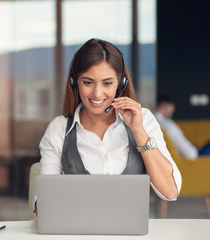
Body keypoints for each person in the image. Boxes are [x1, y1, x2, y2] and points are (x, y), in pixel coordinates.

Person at [39, 38, 181, 203]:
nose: (97, 93)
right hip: (77, 229)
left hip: (131, 229)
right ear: (74, 82)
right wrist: (41, 204)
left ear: (120, 84)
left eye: (107, 83)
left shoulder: (144, 120)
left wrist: (138, 131)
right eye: (88, 82)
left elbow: (170, 191)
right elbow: (44, 201)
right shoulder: (59, 129)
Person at [155, 95, 198, 160]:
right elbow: (190, 154)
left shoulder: (151, 122)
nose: (173, 110)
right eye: (171, 108)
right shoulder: (168, 125)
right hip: (189, 160)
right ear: (164, 106)